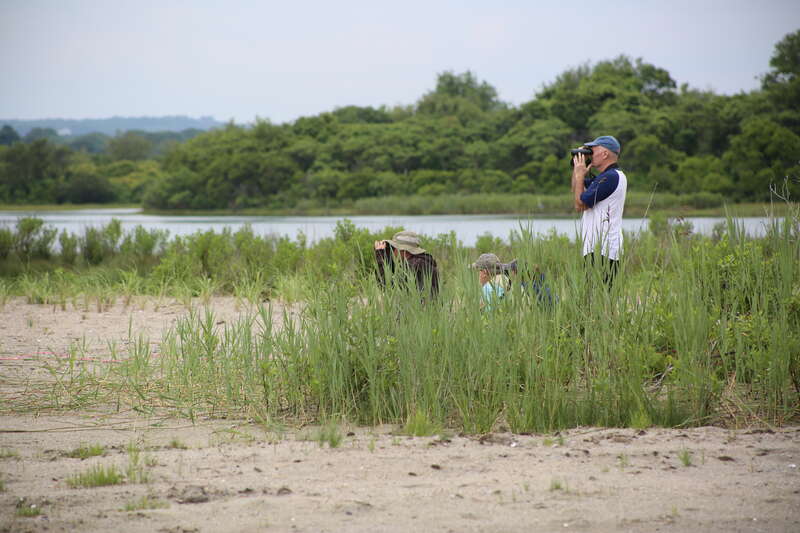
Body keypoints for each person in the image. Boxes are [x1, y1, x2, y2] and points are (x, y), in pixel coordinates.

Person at [571, 135, 627, 287]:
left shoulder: (611, 177)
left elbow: (579, 204)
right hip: (599, 249)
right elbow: (576, 189)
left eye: (593, 150)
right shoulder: (605, 177)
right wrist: (578, 167)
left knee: (597, 296)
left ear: (605, 154)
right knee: (596, 296)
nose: (590, 154)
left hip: (603, 250)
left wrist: (580, 174)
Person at [374, 230, 439, 299]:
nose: (392, 251)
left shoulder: (415, 265)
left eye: (393, 248)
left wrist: (380, 257)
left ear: (403, 250)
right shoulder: (422, 262)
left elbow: (387, 287)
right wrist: (386, 257)